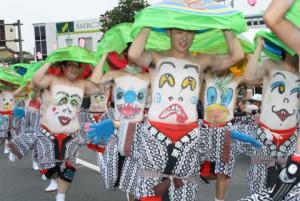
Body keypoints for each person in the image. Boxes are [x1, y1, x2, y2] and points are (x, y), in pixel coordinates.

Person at [9, 56, 102, 201]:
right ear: (63, 67)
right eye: (70, 64)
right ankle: (50, 174)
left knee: (69, 168)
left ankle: (61, 195)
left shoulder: (83, 84)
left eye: (78, 65)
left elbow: (97, 85)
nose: (74, 68)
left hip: (71, 133)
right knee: (48, 166)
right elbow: (36, 82)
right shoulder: (52, 79)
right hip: (48, 132)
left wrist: (100, 59)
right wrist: (50, 61)